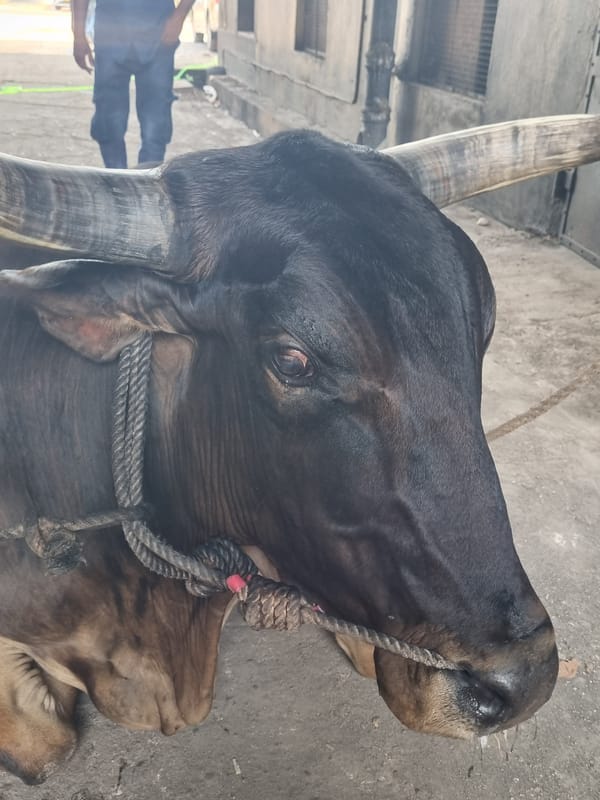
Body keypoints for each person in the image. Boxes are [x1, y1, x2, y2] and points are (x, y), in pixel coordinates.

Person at [72, 0, 196, 168]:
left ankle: (146, 184)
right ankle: (117, 183)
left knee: (155, 125)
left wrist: (179, 16)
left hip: (159, 34)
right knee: (109, 121)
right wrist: (78, 34)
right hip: (110, 36)